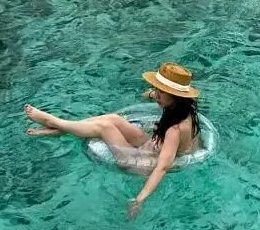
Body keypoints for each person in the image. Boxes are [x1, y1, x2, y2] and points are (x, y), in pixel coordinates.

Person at [25, 62, 202, 220]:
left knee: (105, 128)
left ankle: (55, 123)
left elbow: (162, 167)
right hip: (152, 145)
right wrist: (151, 94)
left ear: (175, 96)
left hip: (142, 162)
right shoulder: (182, 106)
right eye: (156, 89)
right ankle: (60, 129)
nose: (156, 94)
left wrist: (139, 200)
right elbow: (158, 97)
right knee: (113, 119)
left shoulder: (175, 130)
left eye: (161, 92)